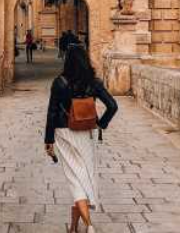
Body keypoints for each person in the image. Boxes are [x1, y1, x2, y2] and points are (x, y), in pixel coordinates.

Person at [44, 46, 118, 233]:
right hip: (86, 133)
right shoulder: (94, 82)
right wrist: (101, 124)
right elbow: (112, 105)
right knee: (83, 175)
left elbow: (52, 113)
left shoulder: (59, 82)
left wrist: (48, 139)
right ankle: (73, 227)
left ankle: (89, 226)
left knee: (75, 179)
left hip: (64, 132)